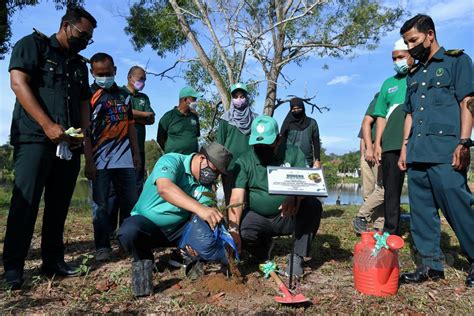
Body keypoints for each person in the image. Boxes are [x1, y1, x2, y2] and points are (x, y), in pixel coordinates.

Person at [2, 6, 97, 289]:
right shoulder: (33, 46)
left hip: (68, 144)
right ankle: (14, 268)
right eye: (82, 34)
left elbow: (83, 102)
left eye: (89, 38)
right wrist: (46, 125)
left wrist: (83, 131)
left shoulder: (79, 64)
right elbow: (18, 84)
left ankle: (53, 260)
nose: (85, 40)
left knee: (58, 205)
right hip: (35, 138)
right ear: (66, 25)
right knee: (25, 203)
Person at [397, 14, 474, 287]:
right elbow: (409, 114)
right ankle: (430, 265)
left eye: (415, 40)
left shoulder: (457, 61)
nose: (411, 47)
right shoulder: (414, 74)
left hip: (445, 150)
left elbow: (468, 101)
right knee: (420, 211)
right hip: (417, 151)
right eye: (408, 43)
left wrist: (464, 142)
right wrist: (405, 147)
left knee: (459, 206)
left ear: (430, 34)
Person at [117, 142, 232, 293]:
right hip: (148, 226)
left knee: (207, 231)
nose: (214, 176)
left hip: (179, 231)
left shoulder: (205, 186)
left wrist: (224, 238)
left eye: (218, 174)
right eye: (214, 170)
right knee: (129, 232)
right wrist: (200, 208)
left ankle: (186, 255)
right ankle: (144, 259)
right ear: (201, 158)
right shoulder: (172, 161)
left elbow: (208, 212)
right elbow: (164, 188)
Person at [228, 115, 323, 278]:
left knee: (313, 205)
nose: (261, 148)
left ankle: (297, 256)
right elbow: (236, 199)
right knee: (244, 231)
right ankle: (262, 250)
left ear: (278, 140)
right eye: (258, 144)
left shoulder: (293, 153)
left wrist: (294, 197)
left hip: (288, 216)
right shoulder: (244, 161)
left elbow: (311, 185)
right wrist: (233, 230)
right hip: (258, 217)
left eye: (266, 144)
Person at [84, 52, 141, 262]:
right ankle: (102, 246)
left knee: (130, 203)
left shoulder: (124, 95)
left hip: (125, 160)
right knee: (100, 206)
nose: (104, 77)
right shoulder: (88, 95)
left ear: (115, 71)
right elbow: (85, 131)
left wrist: (136, 153)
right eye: (99, 74)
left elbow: (131, 126)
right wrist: (89, 160)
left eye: (108, 73)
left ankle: (127, 243)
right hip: (100, 162)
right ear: (92, 73)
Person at [372, 39, 414, 236]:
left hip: (415, 142)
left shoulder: (419, 77)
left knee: (419, 191)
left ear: (411, 54)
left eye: (401, 57)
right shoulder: (388, 84)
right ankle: (391, 233)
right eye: (394, 58)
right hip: (390, 145)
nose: (397, 61)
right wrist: (377, 143)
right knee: (391, 192)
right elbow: (380, 115)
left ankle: (421, 234)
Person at [216, 82, 257, 204]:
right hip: (230, 167)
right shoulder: (225, 119)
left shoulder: (255, 119)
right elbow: (220, 144)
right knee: (231, 202)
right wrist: (219, 168)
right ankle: (232, 224)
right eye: (235, 97)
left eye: (241, 96)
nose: (239, 99)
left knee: (249, 201)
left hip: (250, 167)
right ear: (232, 99)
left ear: (246, 97)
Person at [353, 93, 385, 233]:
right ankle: (366, 222)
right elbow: (362, 137)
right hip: (368, 153)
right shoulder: (370, 115)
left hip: (382, 152)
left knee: (382, 189)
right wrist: (364, 154)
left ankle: (378, 224)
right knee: (368, 191)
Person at [121, 65, 155, 193]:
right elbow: (122, 112)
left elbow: (151, 119)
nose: (143, 83)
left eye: (145, 80)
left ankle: (135, 212)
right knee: (121, 186)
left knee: (137, 184)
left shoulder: (143, 98)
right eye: (141, 79)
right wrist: (144, 115)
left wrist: (131, 116)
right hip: (123, 148)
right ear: (130, 78)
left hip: (139, 148)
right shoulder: (120, 93)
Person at [157, 86, 201, 154]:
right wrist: (169, 152)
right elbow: (160, 138)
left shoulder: (194, 117)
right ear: (185, 100)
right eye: (194, 99)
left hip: (192, 159)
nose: (196, 102)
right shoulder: (169, 116)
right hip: (174, 159)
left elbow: (196, 136)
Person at [280, 97, 321, 168]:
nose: (296, 110)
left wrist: (317, 160)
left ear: (303, 108)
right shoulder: (287, 123)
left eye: (298, 108)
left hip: (307, 161)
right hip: (289, 161)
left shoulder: (312, 123)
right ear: (291, 109)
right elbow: (281, 142)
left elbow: (316, 142)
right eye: (294, 109)